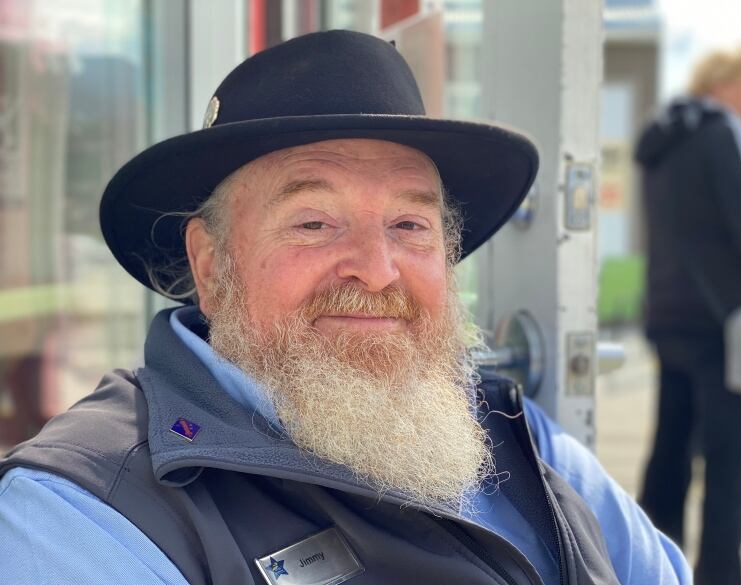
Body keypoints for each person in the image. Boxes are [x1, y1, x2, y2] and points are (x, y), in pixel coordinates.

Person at [0, 30, 689, 585]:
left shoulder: (516, 431)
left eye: (410, 226)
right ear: (211, 265)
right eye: (313, 222)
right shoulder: (84, 508)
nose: (377, 269)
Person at [635, 46, 741, 585]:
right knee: (726, 465)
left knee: (668, 454)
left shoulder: (665, 139)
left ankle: (647, 569)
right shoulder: (723, 133)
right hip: (727, 325)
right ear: (724, 84)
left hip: (669, 316)